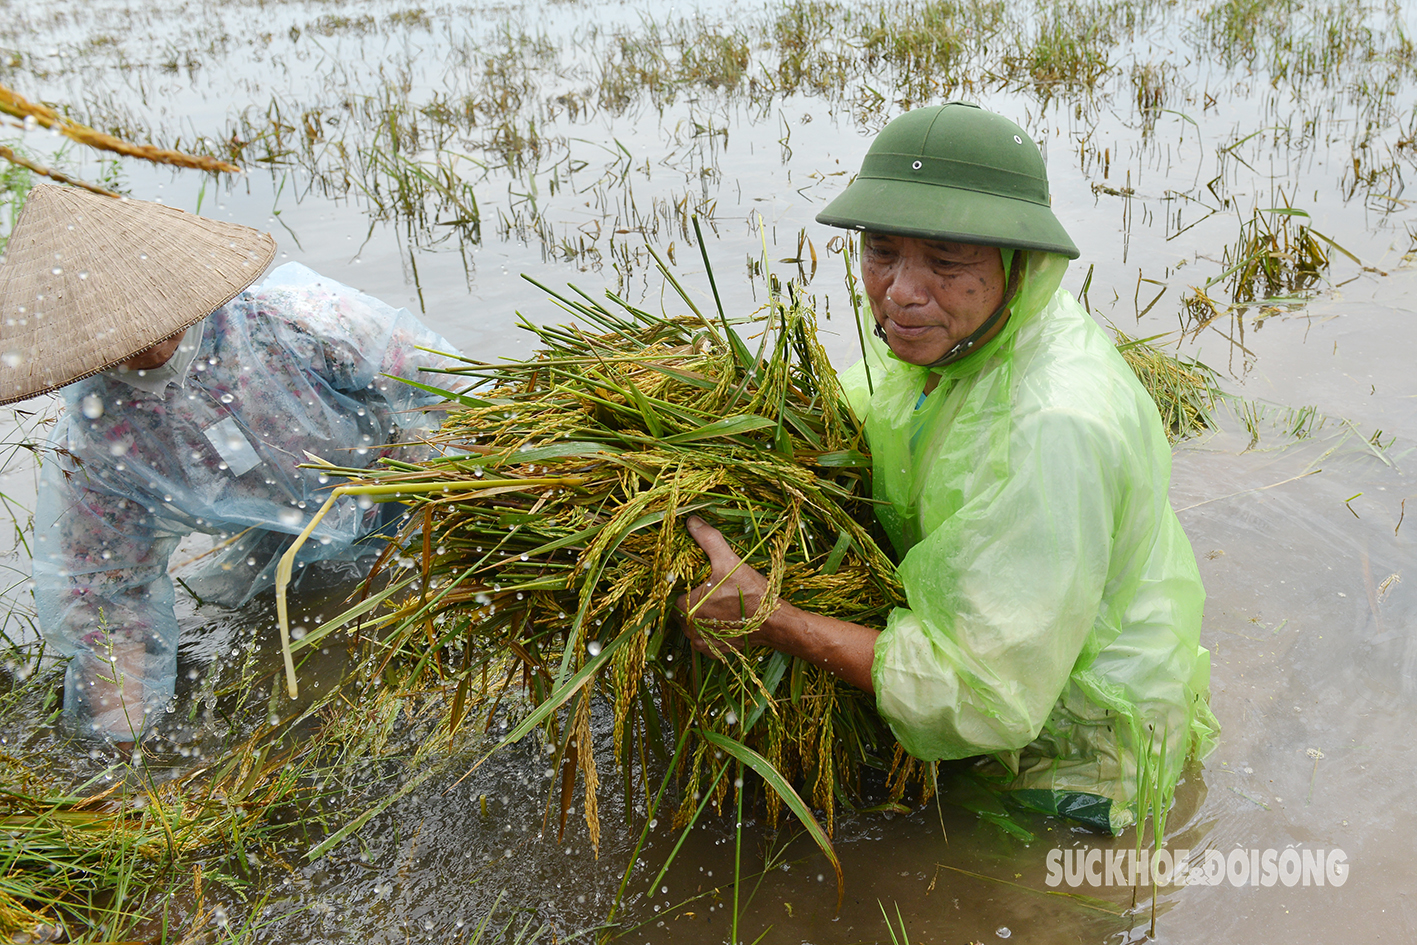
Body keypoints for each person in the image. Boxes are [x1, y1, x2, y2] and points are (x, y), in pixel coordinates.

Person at [677, 103, 1217, 834]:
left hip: (1075, 753)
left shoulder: (1051, 424)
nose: (900, 291)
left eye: (945, 260)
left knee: (1032, 905)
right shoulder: (951, 341)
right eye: (882, 251)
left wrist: (775, 619)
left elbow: (982, 696)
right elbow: (861, 416)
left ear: (1017, 264)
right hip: (1003, 689)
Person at [0, 184, 459, 745]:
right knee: (307, 683)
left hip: (405, 486)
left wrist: (443, 490)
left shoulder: (294, 320)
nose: (141, 339)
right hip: (280, 543)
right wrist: (127, 753)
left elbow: (441, 384)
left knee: (431, 643)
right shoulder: (95, 444)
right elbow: (109, 601)